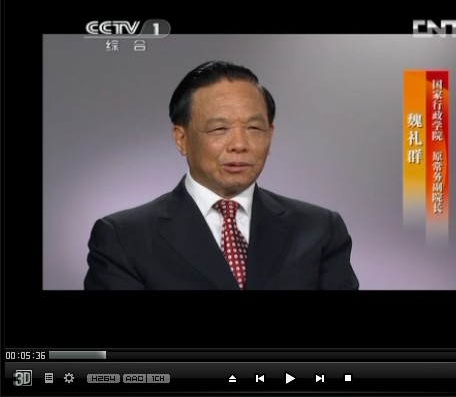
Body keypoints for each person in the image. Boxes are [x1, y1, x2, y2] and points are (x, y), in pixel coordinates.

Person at [84, 61, 359, 290]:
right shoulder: (124, 238)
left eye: (254, 128)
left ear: (270, 135)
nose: (239, 144)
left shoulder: (319, 229)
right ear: (181, 139)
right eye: (219, 129)